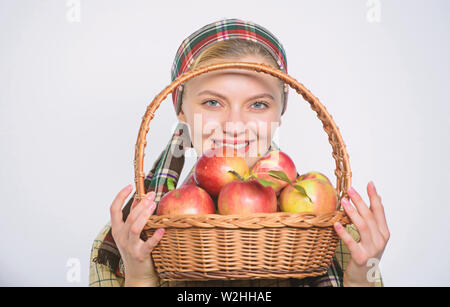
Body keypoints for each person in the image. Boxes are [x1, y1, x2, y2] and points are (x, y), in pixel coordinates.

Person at [89, 18, 389, 287]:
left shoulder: (330, 229)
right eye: (212, 103)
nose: (234, 125)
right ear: (181, 111)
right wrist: (140, 277)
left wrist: (359, 280)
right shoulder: (132, 235)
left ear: (278, 115)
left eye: (258, 104)